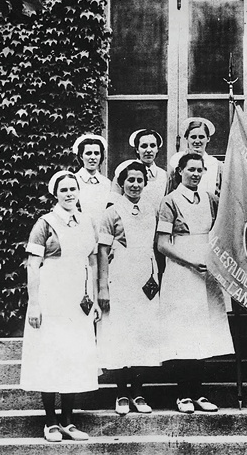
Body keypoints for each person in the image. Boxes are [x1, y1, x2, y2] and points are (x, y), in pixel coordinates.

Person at [19, 171, 100, 442]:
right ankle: (50, 421)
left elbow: (92, 260)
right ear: (56, 194)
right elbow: (33, 265)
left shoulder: (87, 221)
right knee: (51, 354)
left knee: (74, 355)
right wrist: (34, 304)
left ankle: (68, 421)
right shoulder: (45, 223)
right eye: (63, 190)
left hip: (79, 299)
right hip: (52, 296)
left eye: (72, 189)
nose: (69, 194)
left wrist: (96, 298)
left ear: (79, 191)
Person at [156, 153, 234, 413]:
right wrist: (190, 262)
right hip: (182, 273)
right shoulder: (170, 202)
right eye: (191, 170)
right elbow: (163, 244)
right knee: (184, 331)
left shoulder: (211, 200)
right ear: (180, 171)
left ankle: (199, 392)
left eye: (200, 170)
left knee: (205, 332)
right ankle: (183, 394)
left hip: (208, 272)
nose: (196, 174)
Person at [96, 160, 160, 415]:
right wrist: (103, 287)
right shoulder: (112, 211)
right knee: (120, 334)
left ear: (145, 183)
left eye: (139, 180)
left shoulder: (151, 208)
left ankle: (138, 391)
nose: (135, 184)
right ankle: (121, 392)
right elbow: (102, 251)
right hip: (120, 277)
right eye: (130, 180)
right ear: (121, 183)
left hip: (145, 278)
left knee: (142, 333)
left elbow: (154, 247)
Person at [113, 129, 167, 210]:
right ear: (137, 149)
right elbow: (114, 200)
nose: (148, 150)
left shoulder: (164, 175)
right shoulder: (124, 170)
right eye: (144, 146)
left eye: (152, 146)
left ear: (157, 149)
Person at [168, 117, 222, 196]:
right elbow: (170, 188)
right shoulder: (176, 159)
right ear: (187, 138)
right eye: (193, 137)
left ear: (208, 139)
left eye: (201, 137)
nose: (197, 141)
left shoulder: (216, 164)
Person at [72, 134, 111, 225]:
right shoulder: (73, 180)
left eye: (96, 153)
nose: (93, 157)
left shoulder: (107, 183)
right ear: (81, 156)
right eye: (88, 153)